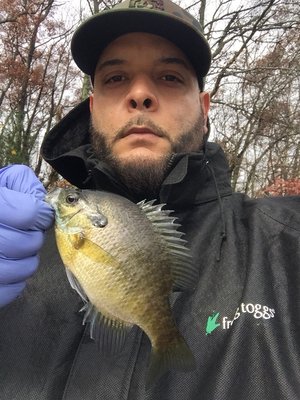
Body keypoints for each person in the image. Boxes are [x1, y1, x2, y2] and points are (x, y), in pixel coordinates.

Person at [0, 0, 299, 398]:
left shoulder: (287, 244)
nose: (140, 94)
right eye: (117, 77)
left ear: (205, 110)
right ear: (92, 110)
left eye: (170, 77)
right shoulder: (21, 243)